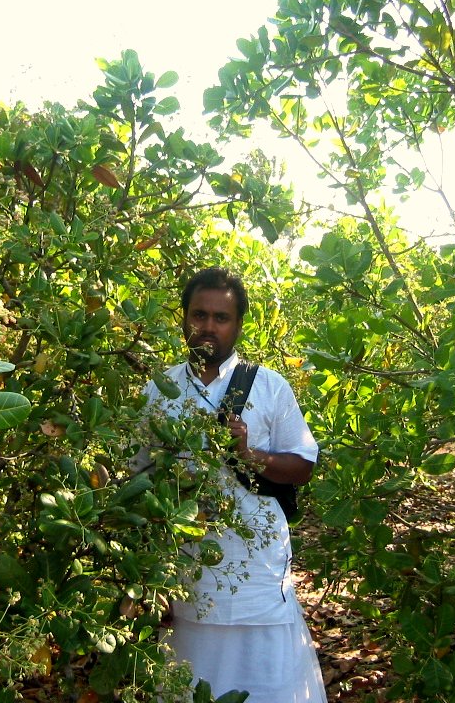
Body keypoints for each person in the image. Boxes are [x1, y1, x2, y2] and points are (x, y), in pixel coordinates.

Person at [140, 266, 327, 703]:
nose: (208, 327)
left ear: (238, 324)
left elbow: (302, 466)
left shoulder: (270, 386)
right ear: (184, 318)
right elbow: (141, 480)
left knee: (268, 686)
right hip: (185, 573)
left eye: (221, 318)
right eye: (199, 315)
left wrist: (249, 455)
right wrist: (149, 579)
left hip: (257, 574)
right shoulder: (158, 390)